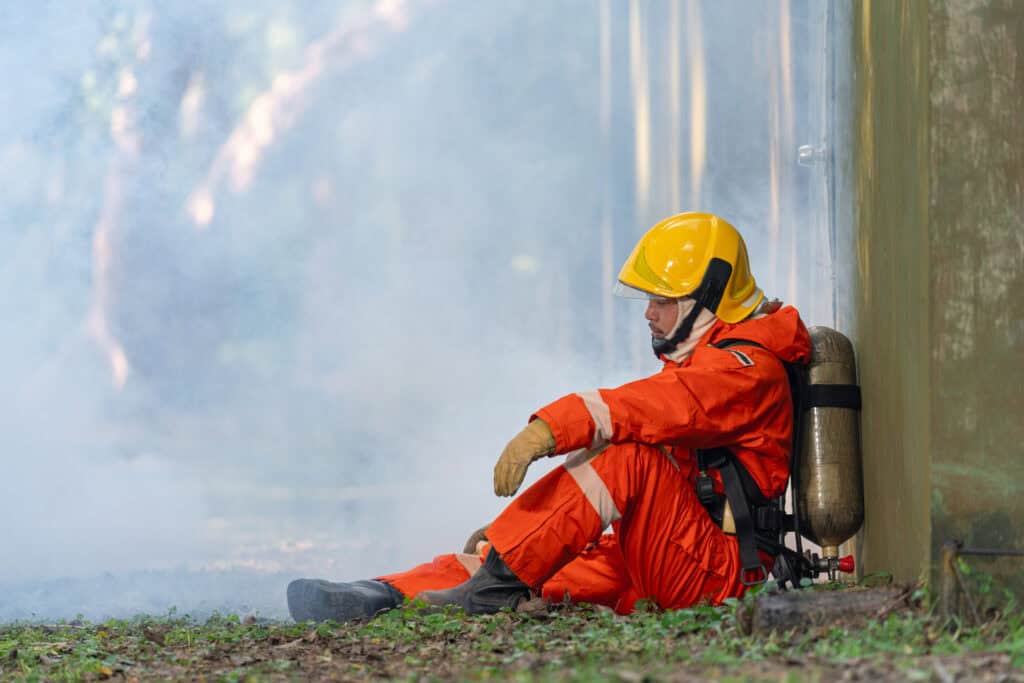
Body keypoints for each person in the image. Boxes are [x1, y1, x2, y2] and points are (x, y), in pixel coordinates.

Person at [287, 212, 812, 622]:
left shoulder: (745, 370)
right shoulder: (717, 358)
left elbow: (650, 410)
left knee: (627, 459)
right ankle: (384, 594)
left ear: (709, 299)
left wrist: (548, 430)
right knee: (531, 563)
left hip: (716, 574)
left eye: (662, 300)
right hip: (670, 547)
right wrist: (520, 529)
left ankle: (491, 589)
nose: (648, 312)